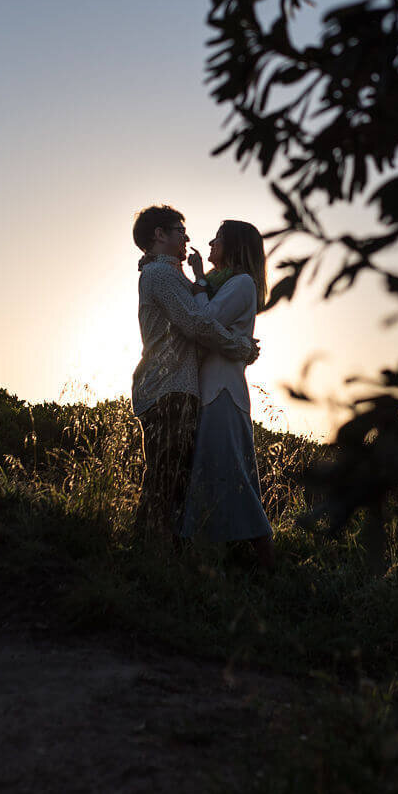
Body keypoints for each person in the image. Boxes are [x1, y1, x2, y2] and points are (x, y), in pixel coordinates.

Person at [131, 205, 258, 543]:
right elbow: (197, 323)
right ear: (159, 235)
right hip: (168, 387)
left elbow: (200, 318)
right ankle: (150, 555)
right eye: (179, 231)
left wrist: (239, 342)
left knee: (170, 481)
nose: (186, 237)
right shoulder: (162, 276)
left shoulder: (171, 276)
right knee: (165, 481)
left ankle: (156, 555)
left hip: (174, 387)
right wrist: (239, 346)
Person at [181, 219, 274, 570]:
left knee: (232, 474)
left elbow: (204, 319)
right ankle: (215, 557)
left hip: (223, 392)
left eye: (218, 238)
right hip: (212, 390)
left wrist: (200, 279)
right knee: (216, 472)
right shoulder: (226, 284)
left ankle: (267, 563)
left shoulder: (241, 284)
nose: (210, 242)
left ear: (233, 246)